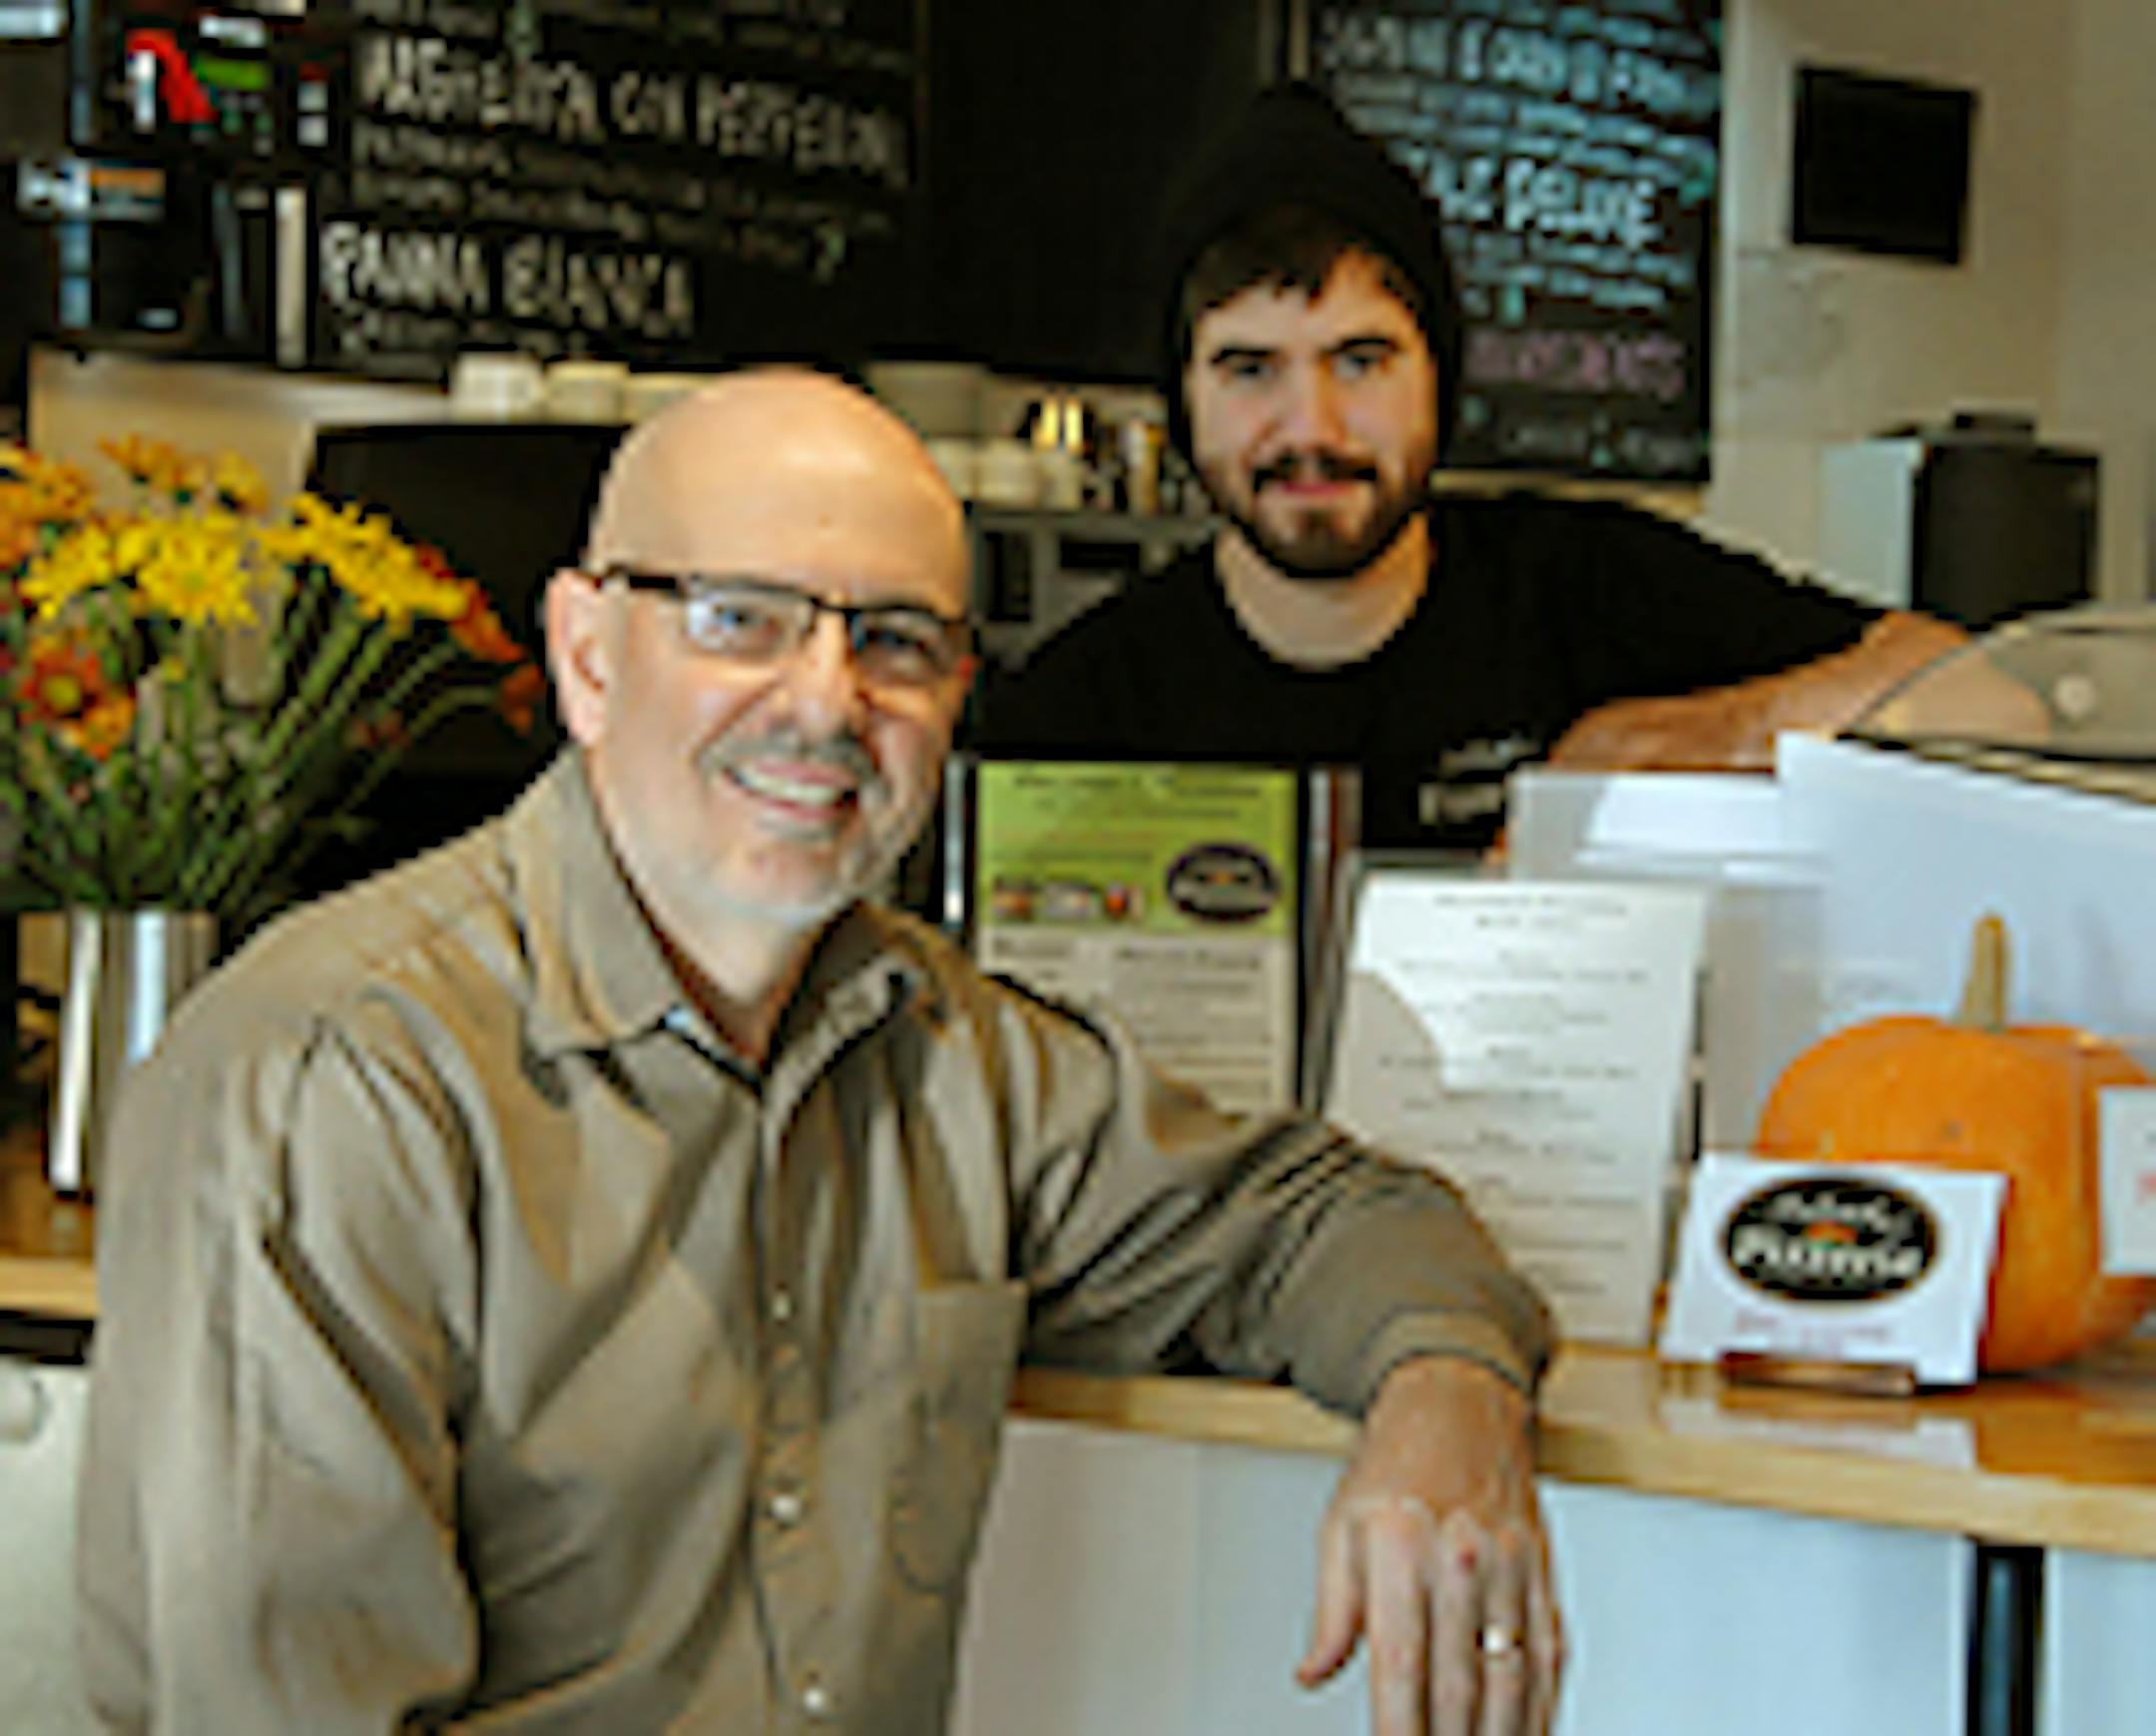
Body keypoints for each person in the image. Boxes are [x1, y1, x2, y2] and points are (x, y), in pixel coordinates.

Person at [79, 367, 1561, 1735]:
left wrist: (1447, 1389)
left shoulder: (949, 1048)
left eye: (897, 639)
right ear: (585, 654)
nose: (826, 701)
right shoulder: (332, 1081)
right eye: (741, 617)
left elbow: (1317, 1214)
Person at [973, 83, 1969, 849]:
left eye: (1361, 360)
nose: (1311, 426)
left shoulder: (1585, 586)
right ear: (1183, 398)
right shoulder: (1081, 708)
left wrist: (1667, 744)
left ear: (1439, 377)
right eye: (1249, 369)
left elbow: (1983, 690)